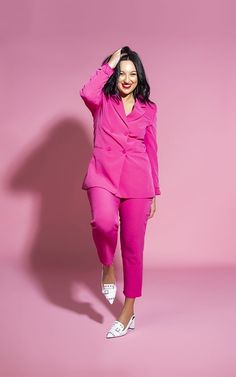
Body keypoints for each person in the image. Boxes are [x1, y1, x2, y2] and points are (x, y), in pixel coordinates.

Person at [80, 46, 161, 338]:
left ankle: (129, 310)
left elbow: (151, 149)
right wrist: (109, 64)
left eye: (133, 73)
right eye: (122, 72)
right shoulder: (101, 100)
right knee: (103, 223)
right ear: (115, 74)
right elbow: (86, 91)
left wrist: (155, 191)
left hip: (138, 181)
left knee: (133, 247)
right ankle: (106, 266)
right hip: (103, 175)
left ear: (139, 77)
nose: (127, 79)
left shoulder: (149, 108)